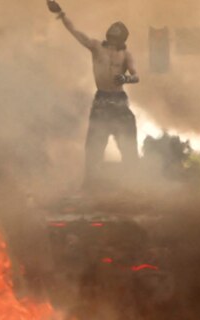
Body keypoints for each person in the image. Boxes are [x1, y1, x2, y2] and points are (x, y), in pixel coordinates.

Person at [48, 1, 140, 184]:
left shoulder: (125, 55)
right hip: (102, 100)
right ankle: (90, 183)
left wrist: (125, 78)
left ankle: (134, 184)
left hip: (119, 102)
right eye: (112, 35)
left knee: (128, 145)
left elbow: (136, 76)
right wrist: (61, 14)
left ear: (122, 39)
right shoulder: (97, 47)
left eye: (117, 37)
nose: (113, 39)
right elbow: (76, 32)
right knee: (94, 146)